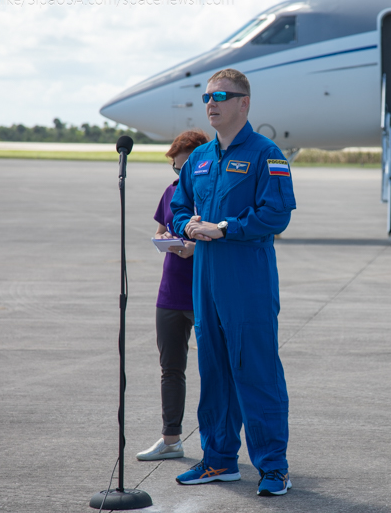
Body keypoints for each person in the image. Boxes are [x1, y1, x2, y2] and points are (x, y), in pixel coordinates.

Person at [170, 68, 297, 495]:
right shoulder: (202, 158)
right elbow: (179, 203)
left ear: (244, 103)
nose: (212, 103)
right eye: (207, 96)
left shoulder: (266, 154)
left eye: (222, 95)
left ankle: (273, 467)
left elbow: (276, 213)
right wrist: (187, 225)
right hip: (205, 279)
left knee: (256, 372)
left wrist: (226, 228)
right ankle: (219, 459)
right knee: (215, 372)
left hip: (247, 279)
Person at [136, 129, 211, 461]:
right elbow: (159, 229)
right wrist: (166, 240)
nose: (179, 176)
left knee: (214, 368)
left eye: (184, 169)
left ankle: (217, 444)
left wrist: (195, 248)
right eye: (175, 169)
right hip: (169, 293)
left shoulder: (212, 194)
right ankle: (170, 440)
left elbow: (223, 238)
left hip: (202, 292)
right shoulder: (170, 193)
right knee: (170, 369)